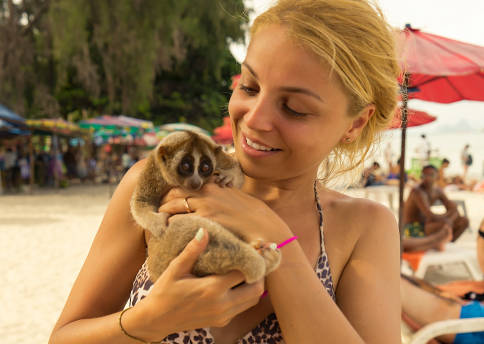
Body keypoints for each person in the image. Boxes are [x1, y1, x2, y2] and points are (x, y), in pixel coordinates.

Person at [49, 0, 401, 342]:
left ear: (355, 123)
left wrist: (279, 241)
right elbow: (65, 338)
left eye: (294, 108)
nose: (255, 119)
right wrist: (148, 321)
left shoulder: (363, 227)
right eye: (249, 87)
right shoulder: (159, 186)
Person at [402, 165, 469, 253]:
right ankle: (438, 243)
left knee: (464, 221)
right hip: (414, 226)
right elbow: (429, 215)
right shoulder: (417, 191)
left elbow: (452, 208)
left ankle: (445, 243)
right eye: (424, 175)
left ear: (437, 176)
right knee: (445, 225)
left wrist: (448, 218)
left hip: (427, 223)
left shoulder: (437, 190)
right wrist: (447, 219)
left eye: (431, 175)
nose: (428, 178)